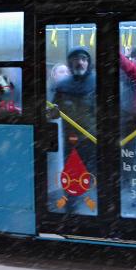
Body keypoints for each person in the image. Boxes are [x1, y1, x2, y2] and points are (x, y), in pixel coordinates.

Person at [50, 47, 97, 214]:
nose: (80, 62)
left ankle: (92, 205)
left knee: (92, 175)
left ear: (88, 62)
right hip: (70, 138)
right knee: (72, 176)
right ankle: (72, 210)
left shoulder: (97, 82)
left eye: (84, 59)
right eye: (76, 59)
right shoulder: (61, 86)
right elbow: (53, 112)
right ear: (70, 63)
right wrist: (52, 112)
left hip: (92, 138)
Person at [119, 45, 136, 135]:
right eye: (135, 58)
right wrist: (126, 57)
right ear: (132, 59)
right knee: (127, 141)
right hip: (126, 112)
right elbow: (124, 72)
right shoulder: (125, 72)